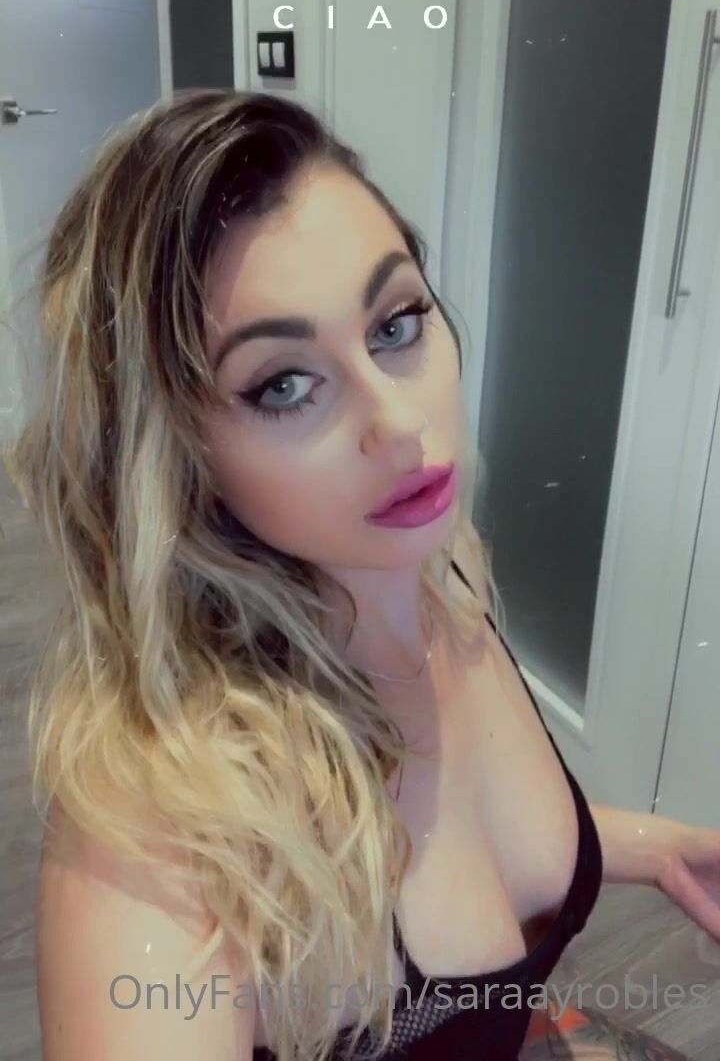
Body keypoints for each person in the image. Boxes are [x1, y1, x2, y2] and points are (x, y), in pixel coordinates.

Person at [4, 90, 700, 1060]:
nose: (398, 423)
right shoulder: (158, 847)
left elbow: (477, 832)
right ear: (176, 458)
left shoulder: (440, 578)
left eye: (396, 322)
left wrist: (653, 847)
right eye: (284, 383)